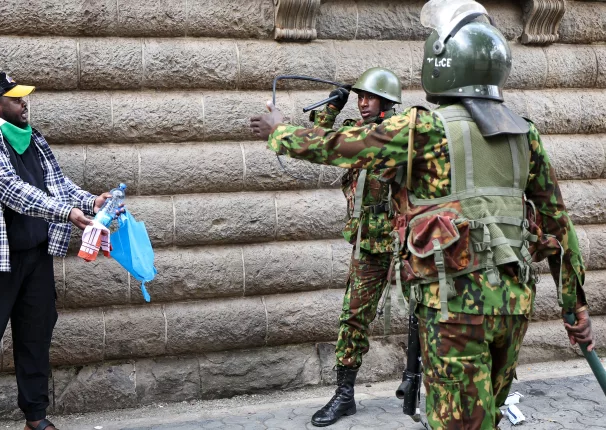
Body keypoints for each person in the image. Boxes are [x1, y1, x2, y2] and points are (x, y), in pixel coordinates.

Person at [250, 1, 595, 428]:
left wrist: (279, 131)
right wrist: (575, 308)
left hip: (455, 309)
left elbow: (336, 147)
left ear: (441, 65)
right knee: (484, 417)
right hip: (514, 306)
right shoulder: (525, 134)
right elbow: (559, 226)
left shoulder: (423, 129)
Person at [0, 72, 117, 430]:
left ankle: (35, 419)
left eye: (23, 97)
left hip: (35, 256)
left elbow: (55, 183)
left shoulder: (29, 136)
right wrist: (66, 213)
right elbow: (8, 187)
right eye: (15, 99)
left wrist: (91, 201)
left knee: (36, 339)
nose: (24, 103)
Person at [308, 68, 404, 427]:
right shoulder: (354, 133)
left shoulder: (400, 136)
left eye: (370, 97)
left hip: (406, 244)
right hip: (368, 245)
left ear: (387, 101)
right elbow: (318, 143)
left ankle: (428, 382)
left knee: (427, 316)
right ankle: (344, 395)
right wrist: (333, 107)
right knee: (352, 318)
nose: (363, 103)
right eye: (360, 97)